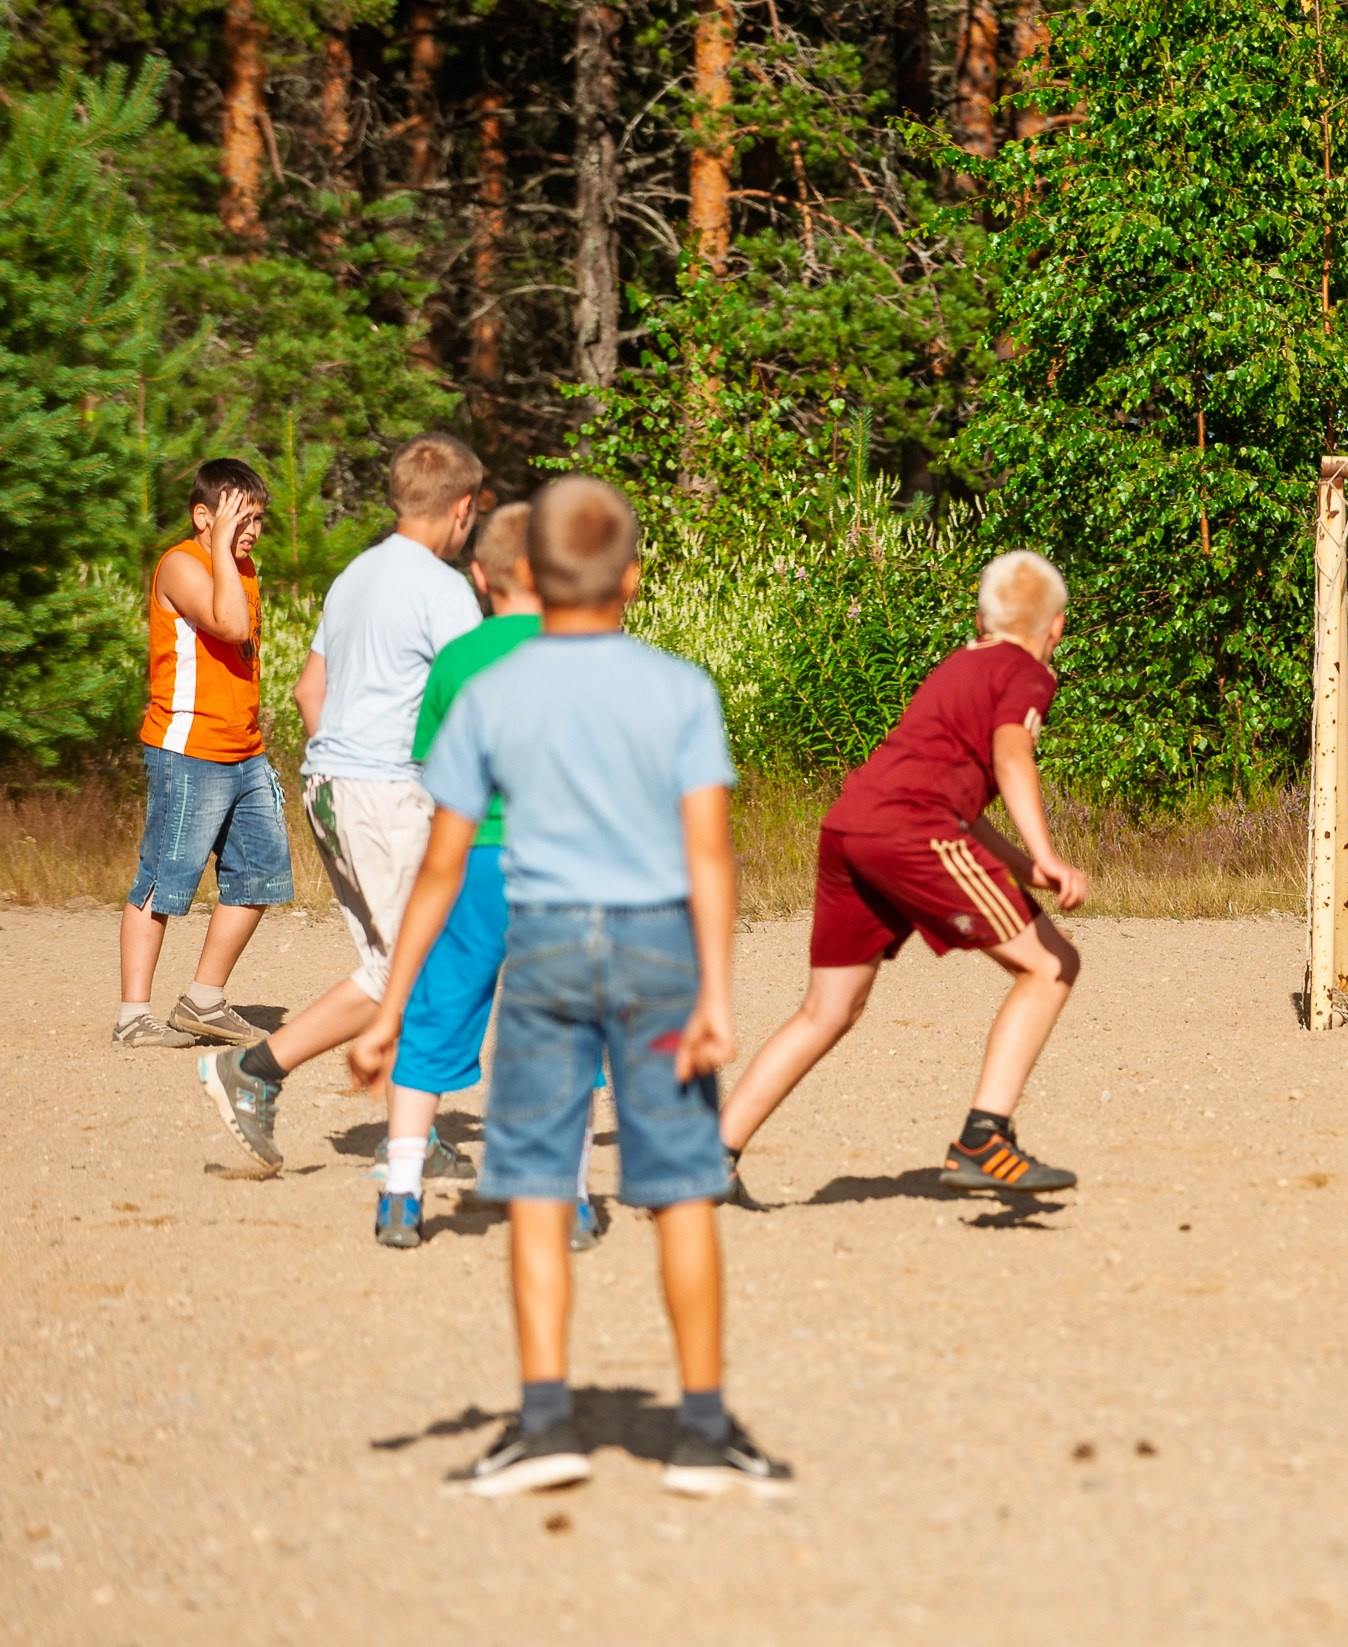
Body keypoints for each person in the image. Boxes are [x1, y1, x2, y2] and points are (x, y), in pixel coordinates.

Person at [348, 475, 787, 1498]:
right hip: (658, 955)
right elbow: (710, 855)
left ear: (533, 578)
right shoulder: (681, 688)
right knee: (681, 1196)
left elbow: (444, 866)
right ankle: (704, 1428)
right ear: (632, 576)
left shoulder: (494, 692)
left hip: (545, 949)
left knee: (540, 1194)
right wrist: (719, 992)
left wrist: (388, 1006)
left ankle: (544, 1424)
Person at [714, 549, 1087, 1200]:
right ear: (1054, 627)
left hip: (850, 828)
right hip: (911, 832)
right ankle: (984, 1138)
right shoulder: (1025, 672)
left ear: (980, 617)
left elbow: (959, 806)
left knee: (828, 1009)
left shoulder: (959, 666)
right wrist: (1048, 850)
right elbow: (1010, 756)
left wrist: (1026, 868)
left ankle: (709, 1156)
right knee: (1052, 964)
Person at [198, 432, 484, 1175]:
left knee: (391, 964)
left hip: (328, 784)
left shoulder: (356, 575)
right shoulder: (441, 587)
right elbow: (477, 698)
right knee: (418, 961)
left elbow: (307, 691)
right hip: (382, 790)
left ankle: (277, 1080)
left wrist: (342, 765)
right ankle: (384, 1125)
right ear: (463, 509)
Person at [368, 503, 606, 1253]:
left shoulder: (459, 659)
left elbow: (436, 773)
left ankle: (401, 1192)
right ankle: (567, 1198)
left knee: (435, 1018)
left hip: (470, 863)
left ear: (482, 573)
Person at [117, 460, 292, 1048]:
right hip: (188, 749)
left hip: (244, 750)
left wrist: (231, 550)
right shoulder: (181, 565)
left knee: (260, 875)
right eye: (241, 517)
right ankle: (132, 1015)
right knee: (164, 881)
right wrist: (220, 547)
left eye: (258, 519)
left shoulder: (240, 565)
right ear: (204, 516)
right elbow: (230, 623)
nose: (252, 530)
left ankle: (204, 999)